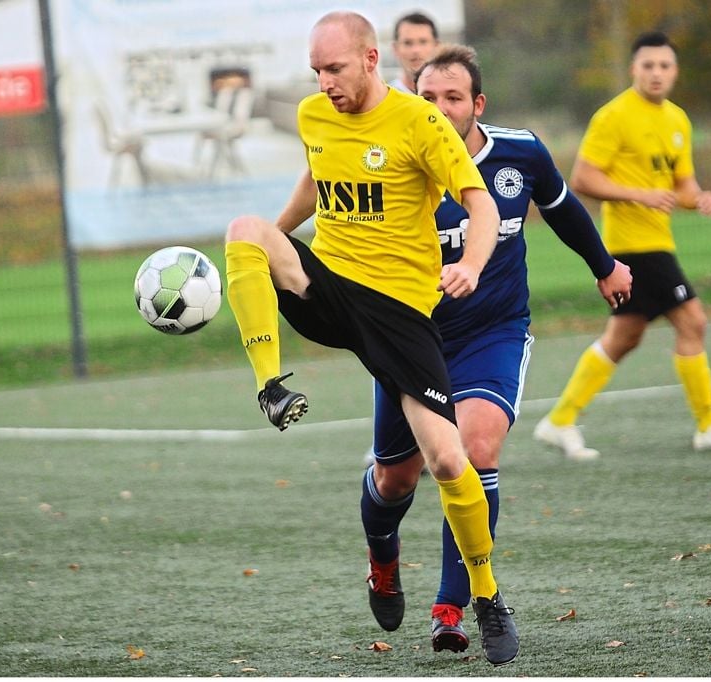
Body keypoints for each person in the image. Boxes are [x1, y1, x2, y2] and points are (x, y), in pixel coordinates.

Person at [223, 11, 519, 666]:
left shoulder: (420, 123)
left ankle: (486, 595)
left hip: (400, 313)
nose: (324, 83)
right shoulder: (312, 116)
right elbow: (316, 177)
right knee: (245, 228)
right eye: (315, 71)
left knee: (444, 461)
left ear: (369, 59)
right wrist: (273, 240)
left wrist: (469, 263)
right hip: (330, 288)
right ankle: (270, 385)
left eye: (334, 69)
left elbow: (481, 204)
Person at [360, 44, 632, 654]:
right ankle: (382, 558)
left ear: (476, 104)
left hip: (494, 331)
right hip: (411, 339)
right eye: (427, 98)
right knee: (396, 478)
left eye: (452, 97)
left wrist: (605, 265)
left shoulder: (518, 153)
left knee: (476, 449)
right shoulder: (395, 165)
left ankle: (453, 607)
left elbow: (562, 209)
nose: (439, 107)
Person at [533, 30, 711, 460]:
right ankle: (708, 424)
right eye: (648, 66)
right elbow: (582, 179)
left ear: (674, 72)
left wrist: (700, 198)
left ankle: (560, 420)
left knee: (625, 336)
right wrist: (639, 194)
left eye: (665, 66)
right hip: (632, 247)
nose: (656, 74)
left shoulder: (677, 120)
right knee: (693, 322)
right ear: (634, 69)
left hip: (657, 241)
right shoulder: (614, 116)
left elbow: (682, 185)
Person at [389, 11, 438, 94]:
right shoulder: (384, 99)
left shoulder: (452, 96)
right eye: (407, 43)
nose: (416, 50)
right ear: (395, 49)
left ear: (436, 47)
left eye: (423, 42)